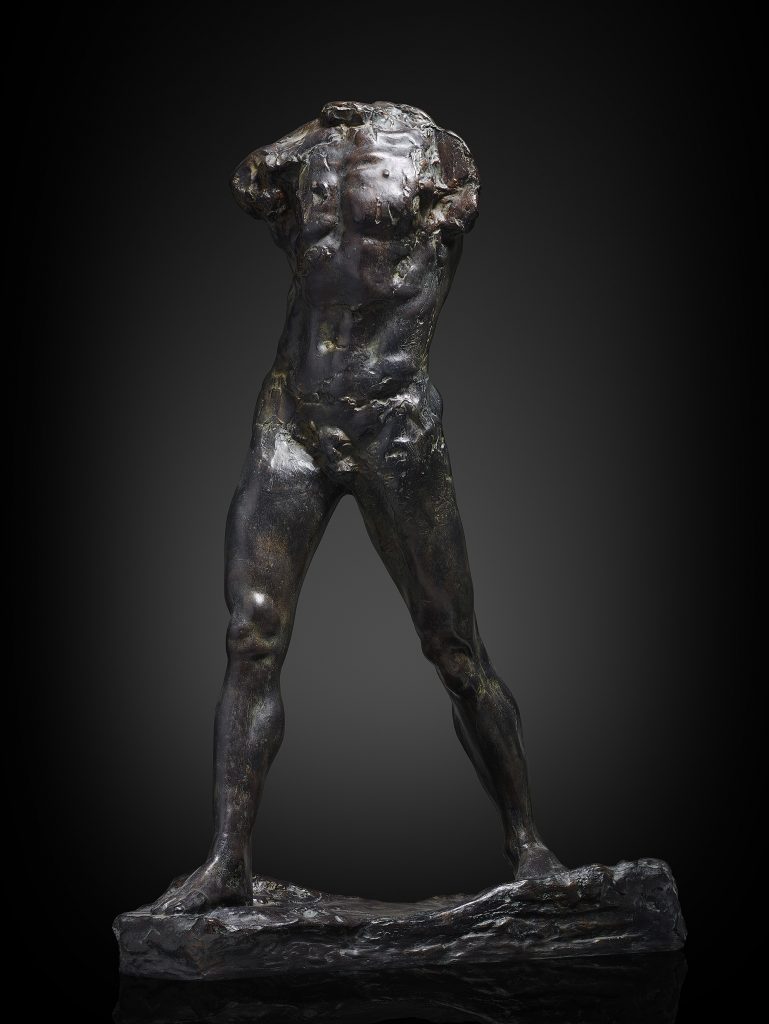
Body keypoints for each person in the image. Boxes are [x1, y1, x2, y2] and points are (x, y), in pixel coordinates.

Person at [152, 100, 563, 914]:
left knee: (453, 649)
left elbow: (459, 208)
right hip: (293, 421)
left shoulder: (438, 155)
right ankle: (226, 862)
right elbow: (247, 183)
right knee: (249, 637)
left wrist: (389, 146)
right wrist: (313, 128)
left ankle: (528, 843)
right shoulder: (316, 159)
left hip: (392, 423)